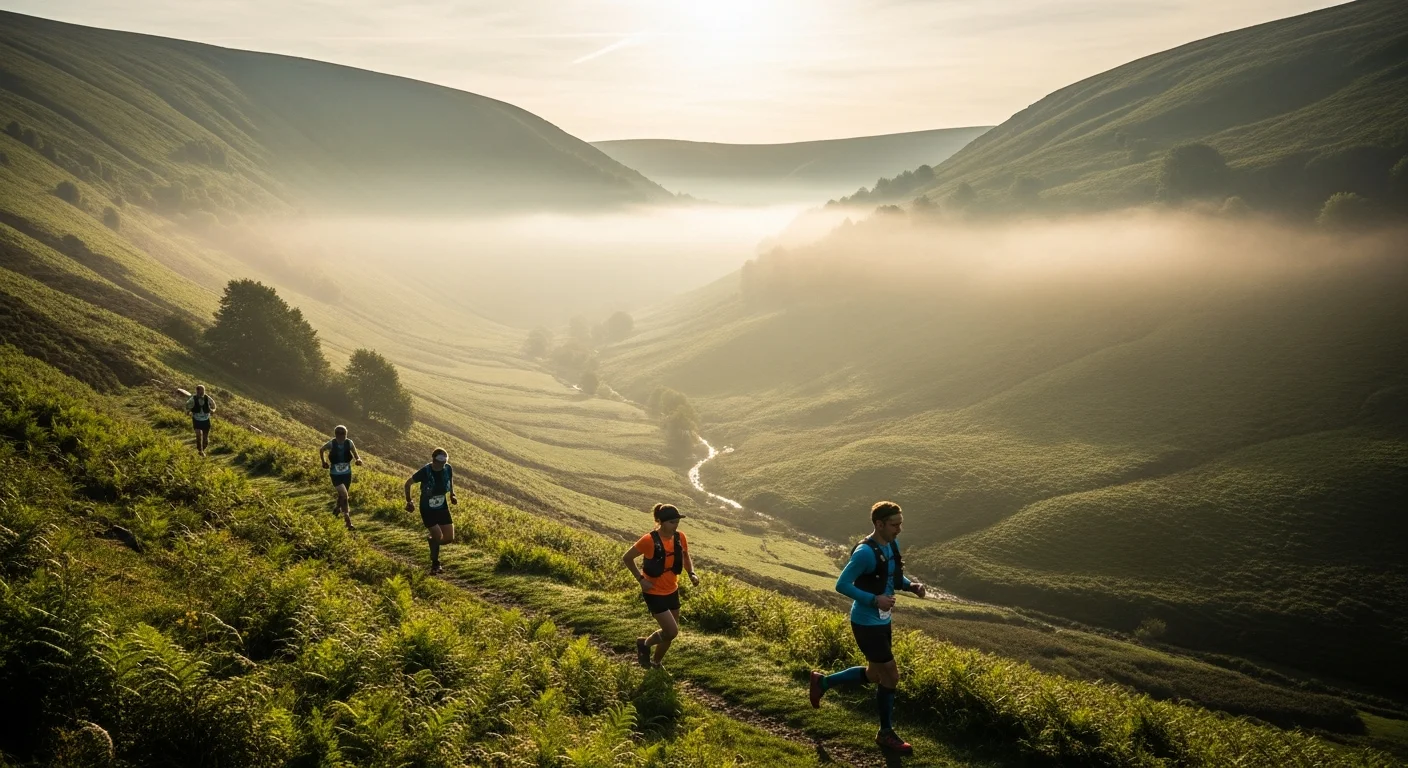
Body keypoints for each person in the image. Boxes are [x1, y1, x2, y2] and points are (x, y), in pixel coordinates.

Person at [809, 501, 927, 756]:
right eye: (894, 524)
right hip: (865, 622)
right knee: (891, 676)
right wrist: (874, 600)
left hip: (882, 621)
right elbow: (842, 584)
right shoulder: (864, 553)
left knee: (875, 675)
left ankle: (823, 682)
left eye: (900, 524)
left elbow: (890, 576)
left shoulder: (890, 544)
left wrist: (911, 586)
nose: (899, 529)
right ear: (879, 524)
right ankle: (885, 733)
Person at [622, 503, 699, 669]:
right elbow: (627, 558)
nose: (675, 525)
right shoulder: (649, 540)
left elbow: (685, 556)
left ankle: (656, 663)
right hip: (654, 592)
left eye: (677, 522)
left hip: (672, 589)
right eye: (672, 522)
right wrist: (640, 579)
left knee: (669, 634)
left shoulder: (680, 537)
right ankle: (645, 643)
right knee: (671, 631)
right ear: (661, 522)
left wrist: (691, 573)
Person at [405, 448, 457, 574]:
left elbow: (450, 480)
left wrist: (452, 495)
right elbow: (408, 483)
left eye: (444, 462)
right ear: (433, 460)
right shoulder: (425, 471)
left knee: (449, 538)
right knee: (438, 536)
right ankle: (435, 563)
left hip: (442, 506)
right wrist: (409, 501)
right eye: (440, 462)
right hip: (427, 508)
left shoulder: (448, 468)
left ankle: (432, 540)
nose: (442, 465)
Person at [318, 425, 362, 531]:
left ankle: (337, 508)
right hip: (335, 474)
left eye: (344, 434)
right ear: (336, 434)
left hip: (347, 473)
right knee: (345, 495)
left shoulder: (349, 443)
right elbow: (321, 450)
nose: (342, 436)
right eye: (339, 434)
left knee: (342, 495)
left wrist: (358, 460)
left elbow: (356, 454)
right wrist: (324, 462)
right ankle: (348, 520)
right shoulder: (331, 443)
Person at [185, 385, 216, 456]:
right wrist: (188, 410)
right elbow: (187, 405)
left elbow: (214, 404)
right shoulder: (193, 398)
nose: (202, 392)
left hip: (206, 420)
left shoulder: (207, 397)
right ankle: (200, 450)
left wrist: (213, 410)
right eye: (200, 391)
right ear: (197, 391)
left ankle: (202, 450)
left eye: (203, 391)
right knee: (198, 435)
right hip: (196, 420)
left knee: (205, 440)